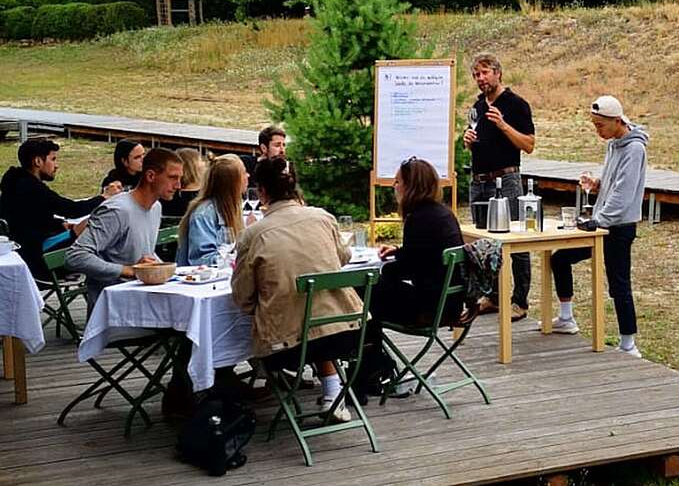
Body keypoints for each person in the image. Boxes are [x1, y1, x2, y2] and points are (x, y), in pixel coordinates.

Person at [231, 156, 361, 422]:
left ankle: (230, 392)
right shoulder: (323, 218)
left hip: (286, 347)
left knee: (289, 316)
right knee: (314, 312)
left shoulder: (254, 234)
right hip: (346, 333)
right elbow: (343, 257)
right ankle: (332, 395)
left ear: (263, 192)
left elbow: (242, 298)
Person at [546, 95, 648, 358]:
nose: (597, 130)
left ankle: (629, 344)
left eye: (600, 125)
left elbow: (624, 194)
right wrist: (597, 183)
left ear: (617, 121)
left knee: (618, 283)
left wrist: (599, 220)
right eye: (594, 125)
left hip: (618, 227)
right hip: (602, 224)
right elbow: (614, 182)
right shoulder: (614, 143)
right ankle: (566, 318)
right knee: (560, 259)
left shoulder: (634, 149)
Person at [463, 52, 535, 322]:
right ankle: (492, 296)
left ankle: (520, 300)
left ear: (498, 73)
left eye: (484, 73)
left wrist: (503, 125)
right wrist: (467, 140)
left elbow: (529, 144)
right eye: (476, 75)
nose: (480, 79)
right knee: (482, 243)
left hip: (506, 179)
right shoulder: (478, 106)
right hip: (478, 181)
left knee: (516, 239)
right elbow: (476, 138)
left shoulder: (516, 105)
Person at [66, 148, 183, 310]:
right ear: (150, 176)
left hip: (145, 299)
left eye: (179, 179)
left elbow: (142, 254)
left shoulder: (156, 207)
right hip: (114, 307)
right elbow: (75, 256)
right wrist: (128, 270)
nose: (178, 185)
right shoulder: (117, 211)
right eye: (172, 178)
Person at [0, 139, 121, 280]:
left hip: (24, 249)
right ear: (38, 161)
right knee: (92, 223)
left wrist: (59, 224)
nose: (56, 166)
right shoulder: (31, 187)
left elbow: (28, 217)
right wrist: (104, 197)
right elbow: (71, 209)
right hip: (38, 257)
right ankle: (114, 269)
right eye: (53, 159)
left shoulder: (15, 183)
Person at [370, 157, 465, 329]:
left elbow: (409, 269)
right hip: (452, 303)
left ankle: (371, 351)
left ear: (410, 186)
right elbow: (425, 255)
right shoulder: (443, 213)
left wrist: (380, 269)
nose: (394, 186)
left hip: (429, 310)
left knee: (366, 290)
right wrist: (398, 252)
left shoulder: (419, 218)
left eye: (398, 181)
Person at [176, 154, 251, 267]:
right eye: (244, 173)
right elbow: (201, 261)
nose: (248, 176)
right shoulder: (203, 214)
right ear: (232, 183)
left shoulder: (232, 207)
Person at [161, 148, 207, 218]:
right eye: (200, 160)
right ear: (192, 166)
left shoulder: (165, 195)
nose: (204, 163)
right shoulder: (205, 196)